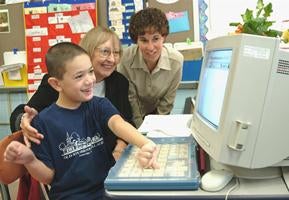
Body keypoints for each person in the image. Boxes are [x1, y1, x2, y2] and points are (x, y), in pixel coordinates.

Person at [4, 42, 159, 200]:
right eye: (79, 76)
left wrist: (145, 143)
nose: (89, 80)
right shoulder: (43, 123)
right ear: (56, 84)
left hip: (109, 190)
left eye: (90, 71)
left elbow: (118, 124)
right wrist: (30, 160)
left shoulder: (99, 105)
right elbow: (48, 177)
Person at [10, 26, 133, 161]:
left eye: (116, 53)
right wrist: (24, 120)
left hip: (108, 159)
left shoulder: (119, 82)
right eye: (105, 52)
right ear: (88, 51)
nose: (112, 59)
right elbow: (22, 114)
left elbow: (126, 120)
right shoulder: (59, 82)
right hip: (69, 161)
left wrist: (119, 149)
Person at [117, 7, 184, 128]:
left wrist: (154, 129)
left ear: (163, 37)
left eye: (156, 39)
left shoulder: (176, 61)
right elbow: (131, 99)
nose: (150, 47)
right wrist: (141, 130)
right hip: (131, 115)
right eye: (144, 40)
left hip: (158, 115)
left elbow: (167, 102)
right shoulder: (125, 59)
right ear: (136, 40)